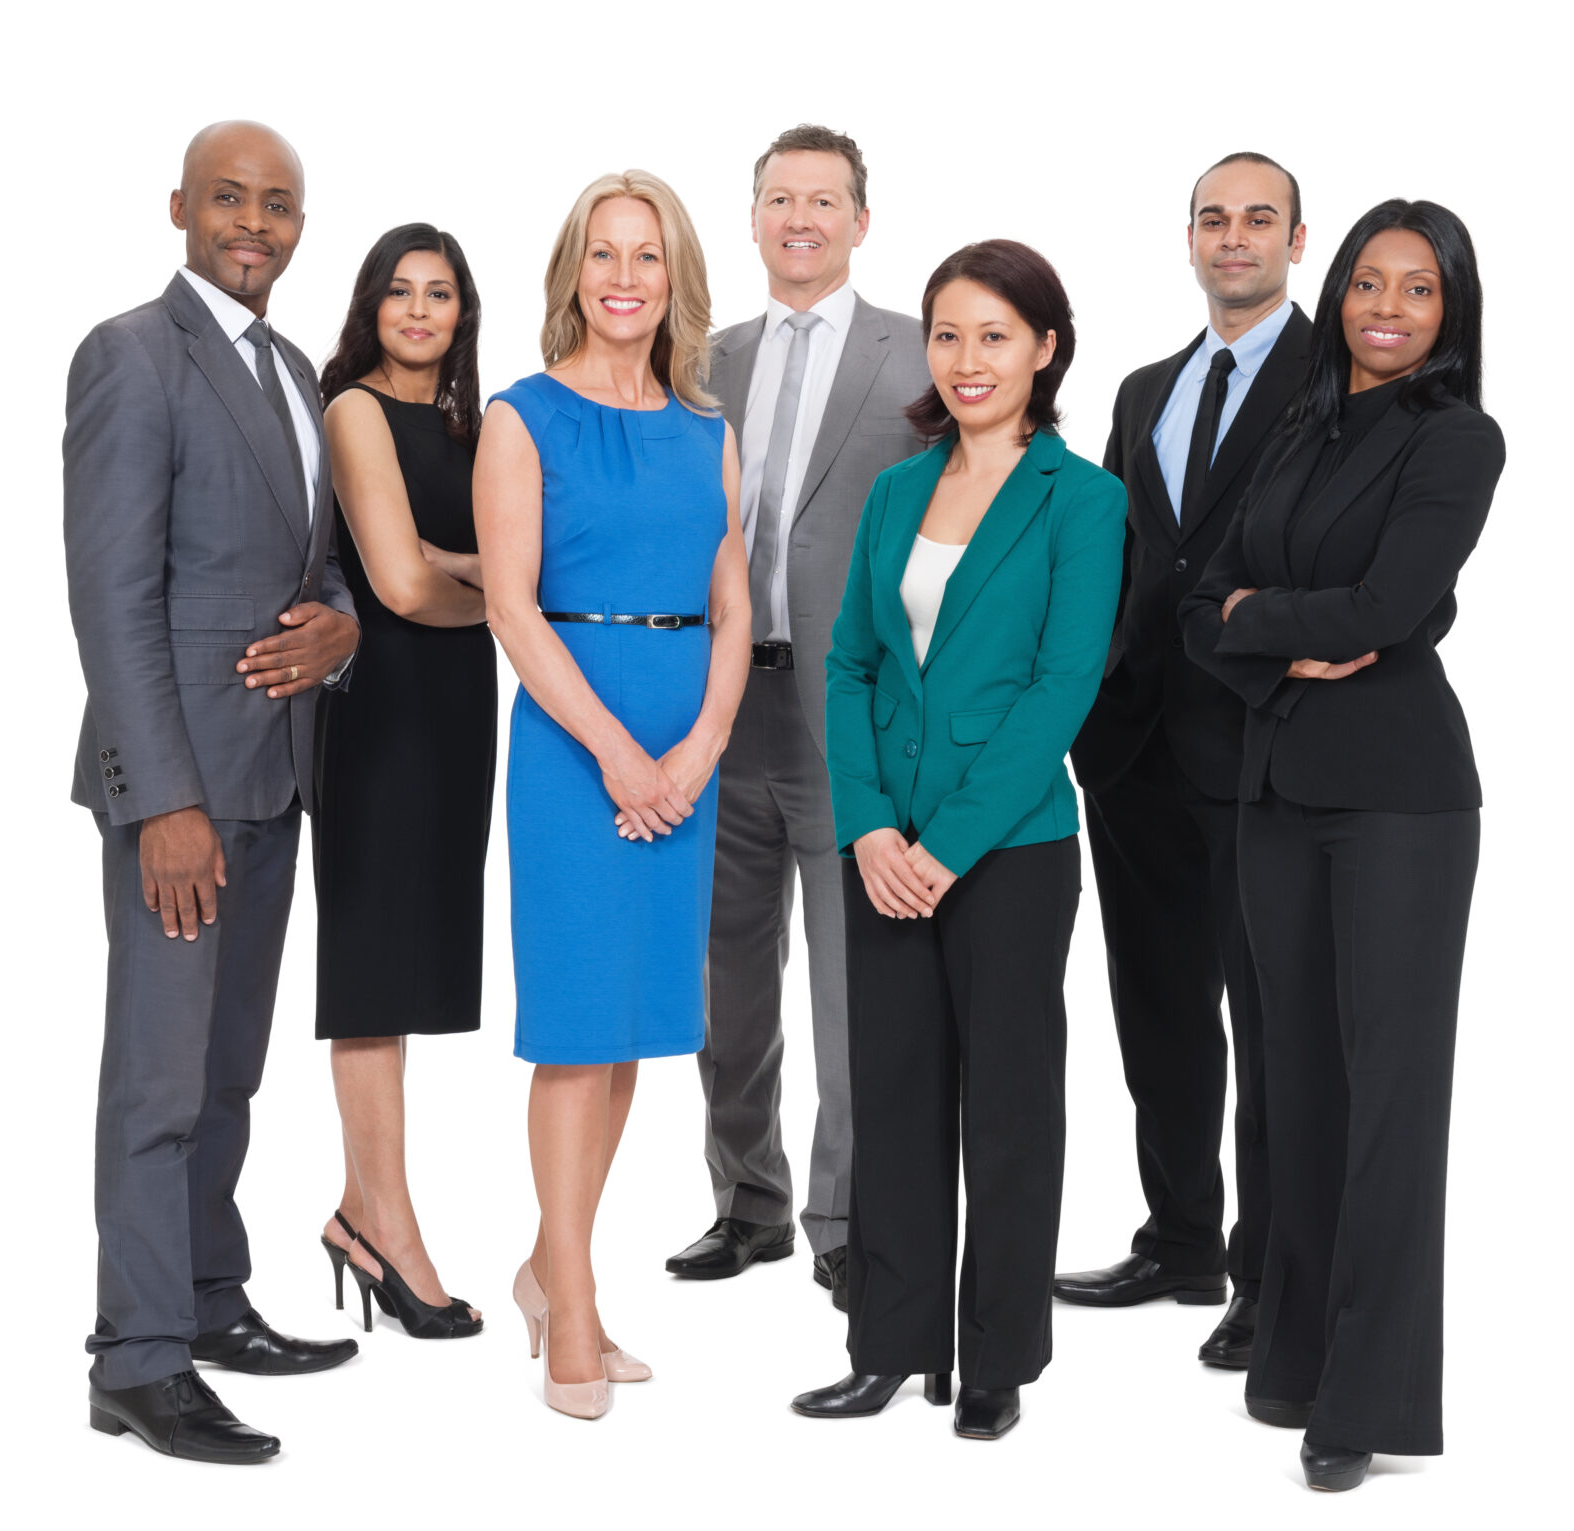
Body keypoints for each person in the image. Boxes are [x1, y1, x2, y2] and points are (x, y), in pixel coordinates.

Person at [1177, 199, 1503, 1492]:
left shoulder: (1458, 438)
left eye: (1416, 291)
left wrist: (1269, 613)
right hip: (1277, 786)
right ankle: (1295, 1357)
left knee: (1389, 1109)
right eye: (1368, 281)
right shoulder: (1301, 425)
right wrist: (1266, 624)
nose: (1384, 307)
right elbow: (1199, 604)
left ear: (1449, 313)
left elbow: (1391, 606)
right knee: (1294, 1088)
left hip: (1398, 804)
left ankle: (1364, 1402)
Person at [793, 241, 1125, 1440]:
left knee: (1009, 1105)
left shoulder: (1083, 499)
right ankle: (889, 1344)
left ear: (1044, 347)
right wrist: (875, 827)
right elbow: (848, 667)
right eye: (947, 334)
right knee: (894, 1097)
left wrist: (949, 847)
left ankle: (994, 1360)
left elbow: (1061, 687)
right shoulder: (897, 488)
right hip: (884, 847)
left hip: (1012, 853)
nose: (968, 359)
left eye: (995, 335)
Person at [65, 121, 361, 1464]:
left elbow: (325, 569)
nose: (255, 223)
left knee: (229, 1071)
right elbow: (112, 597)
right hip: (181, 795)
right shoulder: (134, 354)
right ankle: (134, 1359)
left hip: (276, 775)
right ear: (182, 206)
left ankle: (203, 1291)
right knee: (160, 1079)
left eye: (280, 205)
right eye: (231, 199)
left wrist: (343, 633)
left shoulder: (294, 370)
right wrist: (158, 801)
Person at [476, 171, 749, 1419]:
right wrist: (615, 753)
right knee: (577, 1025)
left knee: (636, 1024)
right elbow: (511, 606)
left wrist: (697, 748)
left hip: (683, 740)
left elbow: (733, 600)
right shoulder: (521, 416)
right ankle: (573, 1301)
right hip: (572, 747)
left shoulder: (708, 426)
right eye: (604, 254)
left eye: (648, 256)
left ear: (675, 277)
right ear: (573, 273)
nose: (625, 277)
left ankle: (552, 1263)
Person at [1054, 152, 1311, 1371]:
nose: (1234, 237)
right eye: (1214, 218)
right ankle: (1182, 1237)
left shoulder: (1332, 380)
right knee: (1156, 1005)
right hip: (1137, 746)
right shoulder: (1147, 385)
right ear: (1190, 239)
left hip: (1264, 744)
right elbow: (1117, 551)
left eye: (1259, 219)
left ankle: (1267, 1270)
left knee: (1266, 1021)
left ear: (1297, 242)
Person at [666, 124, 929, 1306]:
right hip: (722, 710)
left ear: (861, 222)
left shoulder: (922, 355)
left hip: (854, 714)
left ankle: (845, 1218)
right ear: (756, 216)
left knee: (851, 980)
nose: (801, 219)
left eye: (825, 200)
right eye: (780, 199)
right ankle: (748, 1202)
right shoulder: (701, 361)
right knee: (726, 980)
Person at [312, 224, 492, 1340]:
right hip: (379, 711)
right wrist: (501, 595)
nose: (418, 311)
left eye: (440, 294)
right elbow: (401, 584)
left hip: (460, 711)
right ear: (370, 305)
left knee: (419, 960)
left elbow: (470, 566)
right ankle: (385, 1226)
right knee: (375, 970)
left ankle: (353, 1209)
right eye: (399, 291)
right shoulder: (354, 411)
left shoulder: (474, 423)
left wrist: (468, 575)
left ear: (463, 312)